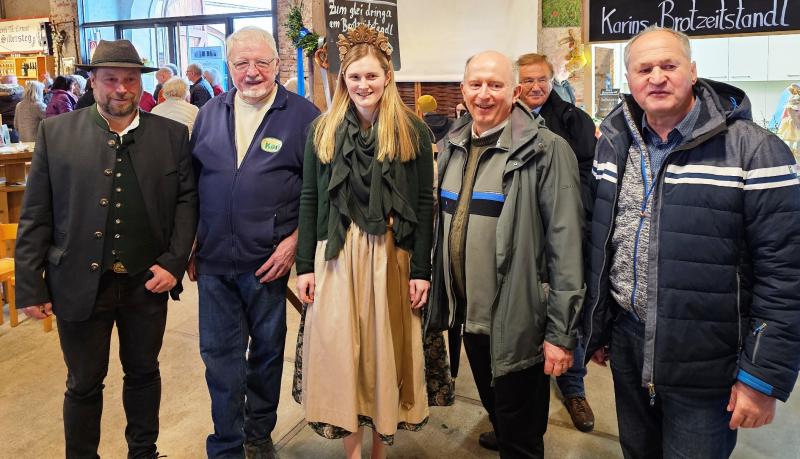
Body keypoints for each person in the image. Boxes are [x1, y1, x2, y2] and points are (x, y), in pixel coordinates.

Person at [584, 26, 800, 459]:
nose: (657, 77)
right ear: (629, 79)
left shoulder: (755, 152)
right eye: (644, 68)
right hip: (628, 342)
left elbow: (786, 272)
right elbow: (602, 243)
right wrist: (600, 324)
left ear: (694, 71)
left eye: (669, 65)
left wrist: (761, 377)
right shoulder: (613, 144)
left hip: (708, 360)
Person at [14, 39, 197, 459]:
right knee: (83, 382)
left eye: (129, 79)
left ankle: (143, 452)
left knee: (144, 373)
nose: (121, 88)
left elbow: (187, 203)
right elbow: (37, 214)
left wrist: (173, 262)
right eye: (110, 79)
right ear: (93, 82)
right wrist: (31, 287)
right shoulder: (56, 133)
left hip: (145, 282)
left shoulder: (169, 135)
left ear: (141, 84)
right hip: (76, 282)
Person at [428, 50, 585, 458]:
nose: (484, 94)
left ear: (514, 92)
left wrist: (561, 333)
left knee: (522, 432)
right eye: (476, 84)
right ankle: (505, 428)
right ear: (462, 90)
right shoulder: (452, 146)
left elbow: (566, 247)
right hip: (469, 316)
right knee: (498, 406)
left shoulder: (547, 151)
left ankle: (518, 442)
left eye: (495, 85)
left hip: (518, 321)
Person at [295, 24, 434, 459]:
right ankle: (352, 448)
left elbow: (425, 202)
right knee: (342, 353)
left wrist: (421, 271)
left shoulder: (412, 130)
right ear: (343, 80)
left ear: (387, 76)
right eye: (354, 77)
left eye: (371, 76)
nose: (363, 84)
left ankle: (380, 448)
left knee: (383, 351)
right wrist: (305, 266)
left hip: (391, 253)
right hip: (337, 251)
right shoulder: (322, 130)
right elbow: (310, 197)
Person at [189, 26, 319, 459]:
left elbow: (319, 193)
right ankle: (226, 444)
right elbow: (192, 185)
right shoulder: (208, 113)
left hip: (269, 263)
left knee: (265, 356)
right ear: (228, 67)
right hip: (214, 264)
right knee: (220, 360)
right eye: (241, 63)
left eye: (261, 62)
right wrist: (189, 245)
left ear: (277, 64)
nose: (252, 72)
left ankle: (258, 434)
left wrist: (293, 245)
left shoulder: (303, 115)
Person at [512, 52, 597, 436]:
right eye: (527, 79)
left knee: (567, 309)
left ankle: (574, 389)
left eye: (541, 79)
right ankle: (517, 412)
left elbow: (588, 176)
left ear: (552, 81)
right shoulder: (504, 120)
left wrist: (568, 216)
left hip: (562, 229)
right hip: (518, 234)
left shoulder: (575, 121)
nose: (534, 86)